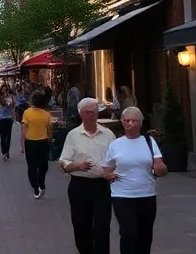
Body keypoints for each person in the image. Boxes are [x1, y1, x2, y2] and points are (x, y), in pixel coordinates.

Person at [102, 106, 167, 254]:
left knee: (145, 236)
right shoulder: (115, 144)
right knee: (128, 233)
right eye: (126, 120)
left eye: (134, 120)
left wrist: (160, 168)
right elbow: (106, 168)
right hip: (122, 196)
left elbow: (160, 166)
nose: (130, 123)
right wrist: (108, 175)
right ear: (122, 122)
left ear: (140, 123)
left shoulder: (149, 141)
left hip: (147, 194)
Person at [60, 98, 115, 254]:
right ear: (81, 114)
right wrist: (76, 165)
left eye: (95, 111)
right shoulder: (73, 135)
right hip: (79, 186)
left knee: (102, 226)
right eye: (89, 112)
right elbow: (64, 161)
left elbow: (117, 159)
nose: (93, 115)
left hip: (101, 187)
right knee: (81, 226)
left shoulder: (108, 134)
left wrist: (113, 172)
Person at [20, 91, 53, 199]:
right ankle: (40, 183)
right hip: (43, 142)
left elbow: (24, 129)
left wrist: (22, 144)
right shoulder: (46, 114)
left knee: (32, 166)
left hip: (30, 142)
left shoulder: (27, 113)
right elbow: (49, 130)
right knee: (43, 165)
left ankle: (35, 187)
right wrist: (51, 140)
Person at [0, 85, 17, 161]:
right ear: (1, 90)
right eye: (3, 90)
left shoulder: (10, 98)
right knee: (2, 136)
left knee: (8, 136)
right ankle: (4, 152)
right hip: (0, 119)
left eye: (6, 90)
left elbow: (12, 107)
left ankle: (7, 151)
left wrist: (12, 101)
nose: (4, 91)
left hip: (8, 118)